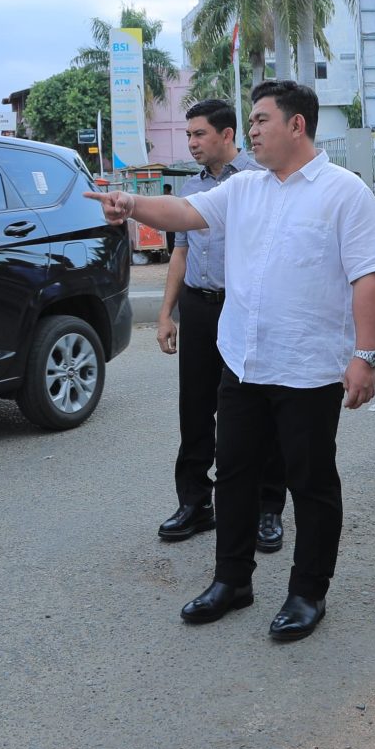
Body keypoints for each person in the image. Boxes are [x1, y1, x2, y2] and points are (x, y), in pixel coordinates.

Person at [86, 80, 375, 642]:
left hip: (307, 368)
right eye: (249, 121)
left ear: (296, 125)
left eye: (260, 120)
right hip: (244, 364)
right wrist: (129, 204)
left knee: (311, 482)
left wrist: (364, 357)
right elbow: (182, 210)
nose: (250, 130)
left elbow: (367, 277)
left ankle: (307, 592)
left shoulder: (344, 192)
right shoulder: (244, 189)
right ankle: (233, 580)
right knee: (235, 475)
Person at [154, 98, 284, 551]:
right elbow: (181, 252)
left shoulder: (258, 182)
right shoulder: (192, 188)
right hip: (199, 307)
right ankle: (195, 502)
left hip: (244, 308)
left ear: (227, 135)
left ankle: (269, 508)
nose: (191, 143)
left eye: (199, 134)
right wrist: (167, 313)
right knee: (194, 407)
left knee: (260, 408)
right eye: (188, 135)